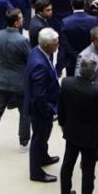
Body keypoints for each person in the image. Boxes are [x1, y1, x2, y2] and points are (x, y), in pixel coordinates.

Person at [58, 55, 98, 194]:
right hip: (89, 136)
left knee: (67, 165)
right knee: (88, 171)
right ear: (94, 73)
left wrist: (62, 124)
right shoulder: (96, 90)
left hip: (71, 132)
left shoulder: (66, 82)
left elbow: (61, 106)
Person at [0, 9, 32, 154]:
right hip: (20, 83)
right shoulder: (23, 40)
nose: (23, 20)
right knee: (24, 113)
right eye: (21, 18)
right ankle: (24, 142)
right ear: (16, 23)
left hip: (2, 78)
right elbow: (30, 60)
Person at [27, 27, 61, 183]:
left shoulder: (38, 51)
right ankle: (36, 172)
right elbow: (39, 95)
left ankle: (44, 157)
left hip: (42, 105)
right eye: (56, 43)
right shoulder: (40, 64)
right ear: (47, 45)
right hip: (40, 109)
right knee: (39, 138)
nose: (58, 45)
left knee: (44, 135)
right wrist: (49, 111)